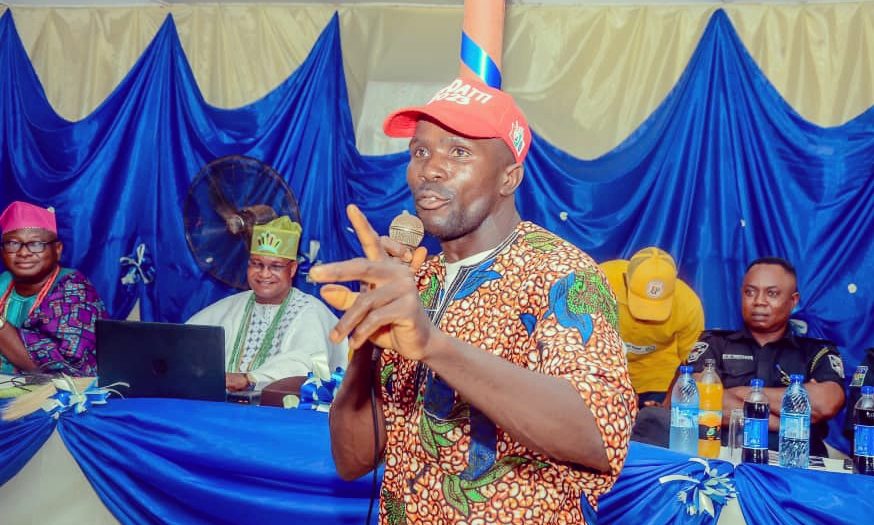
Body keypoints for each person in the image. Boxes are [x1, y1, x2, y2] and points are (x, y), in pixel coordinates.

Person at [310, 78, 636, 523]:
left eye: (459, 152)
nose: (431, 169)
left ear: (509, 177)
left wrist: (433, 345)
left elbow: (599, 435)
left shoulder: (562, 274)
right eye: (420, 151)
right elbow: (352, 461)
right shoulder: (415, 283)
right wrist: (367, 342)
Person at [689, 257, 845, 457]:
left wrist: (736, 393)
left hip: (796, 461)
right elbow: (696, 400)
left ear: (793, 301)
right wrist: (787, 420)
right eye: (750, 292)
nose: (759, 301)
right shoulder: (714, 344)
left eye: (772, 293)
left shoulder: (816, 352)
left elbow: (826, 403)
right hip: (723, 456)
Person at [187, 216, 347, 393]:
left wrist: (250, 379)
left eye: (276, 266)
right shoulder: (230, 307)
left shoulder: (311, 311)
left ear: (292, 269)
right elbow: (185, 344)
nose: (264, 274)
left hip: (283, 409)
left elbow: (305, 363)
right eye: (257, 264)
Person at [0, 201, 106, 376]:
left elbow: (63, 369)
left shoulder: (74, 289)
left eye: (36, 244)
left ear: (57, 249)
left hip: (56, 390)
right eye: (12, 244)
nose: (23, 253)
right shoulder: (3, 282)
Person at [601, 247, 704, 406]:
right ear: (626, 280)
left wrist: (666, 405)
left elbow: (692, 363)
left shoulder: (689, 305)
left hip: (658, 376)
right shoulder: (600, 280)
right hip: (605, 368)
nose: (647, 316)